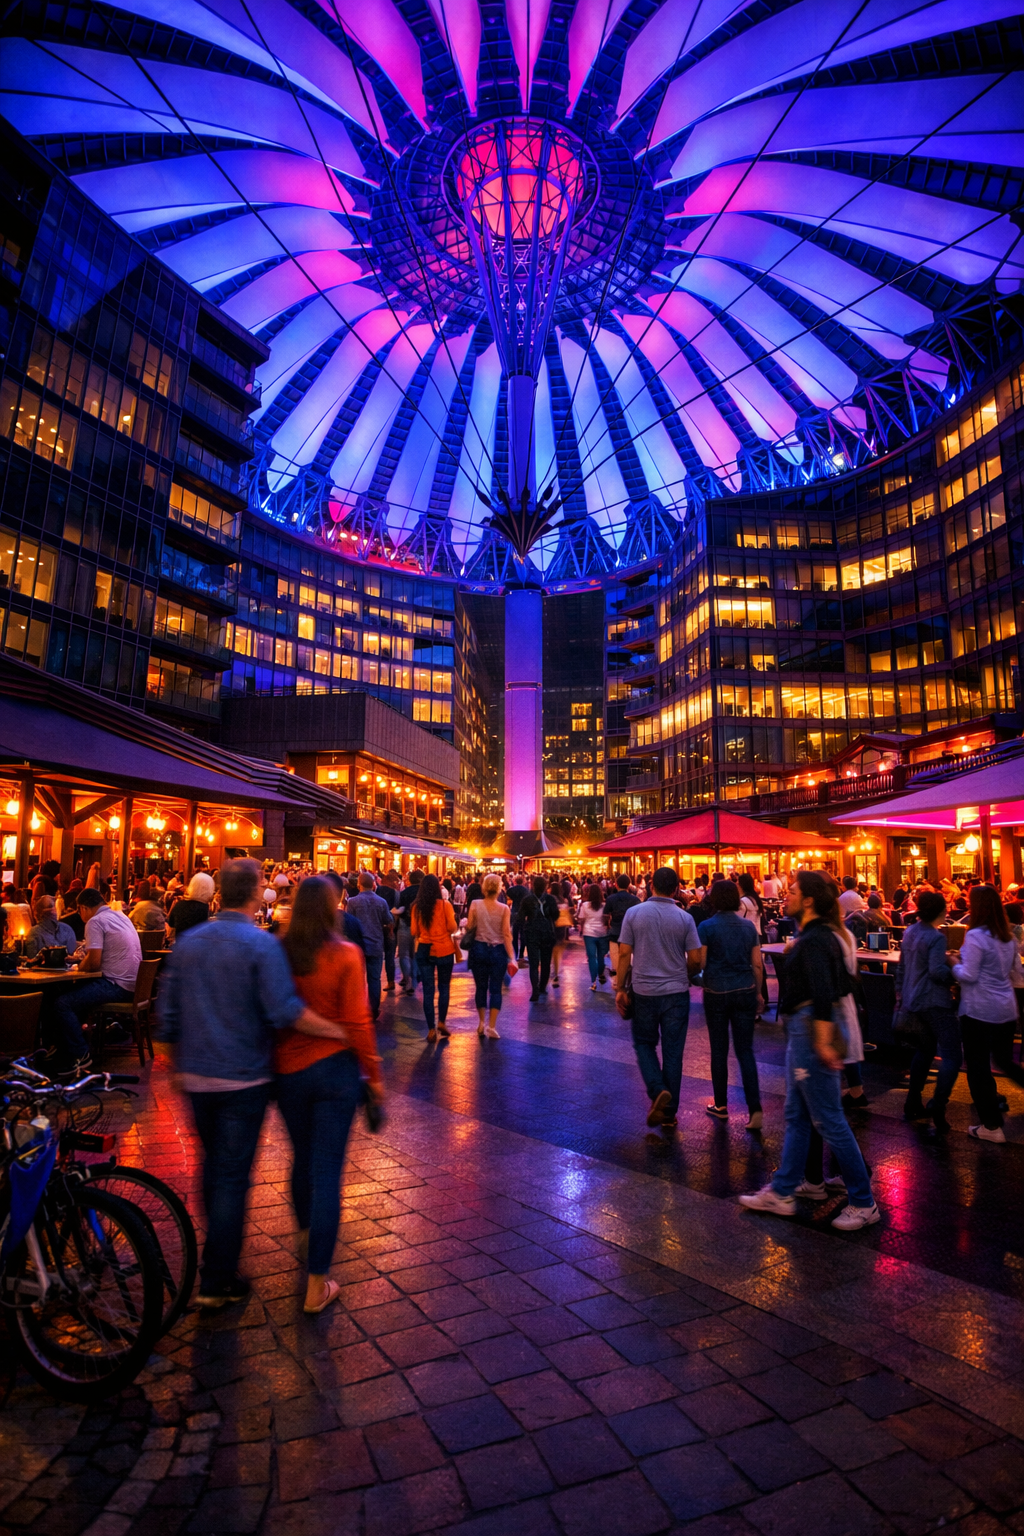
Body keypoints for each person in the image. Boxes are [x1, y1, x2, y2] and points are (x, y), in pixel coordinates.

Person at [156, 858, 350, 1307]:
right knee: (232, 1174)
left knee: (213, 1166)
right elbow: (284, 1011)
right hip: (244, 1076)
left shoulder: (189, 942)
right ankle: (217, 1276)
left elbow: (165, 1020)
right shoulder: (260, 946)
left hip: (198, 1075)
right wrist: (336, 1029)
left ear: (219, 891)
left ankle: (219, 1262)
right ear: (256, 890)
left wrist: (177, 1068)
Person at [739, 871, 878, 1230]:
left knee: (828, 1119)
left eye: (795, 892)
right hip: (804, 1030)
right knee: (798, 1114)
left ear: (810, 900)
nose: (787, 896)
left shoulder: (817, 939)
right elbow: (845, 982)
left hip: (809, 1031)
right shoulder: (825, 936)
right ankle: (783, 1190)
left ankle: (863, 1200)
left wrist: (821, 1039)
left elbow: (824, 993)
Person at [276, 876, 382, 1313]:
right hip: (336, 1071)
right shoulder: (345, 954)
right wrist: (373, 1077)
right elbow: (358, 1021)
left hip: (288, 1071)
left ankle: (305, 1233)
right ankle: (317, 1283)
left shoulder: (279, 952)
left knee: (301, 1157)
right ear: (335, 906)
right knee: (328, 1172)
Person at [615, 866, 702, 1142]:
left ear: (651, 885)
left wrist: (620, 988)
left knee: (644, 1043)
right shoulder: (685, 918)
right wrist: (683, 974)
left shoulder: (634, 913)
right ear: (676, 889)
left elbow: (624, 953)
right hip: (676, 993)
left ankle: (657, 1089)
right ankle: (669, 1112)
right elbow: (697, 959)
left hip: (644, 991)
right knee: (673, 1052)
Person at [951, 885, 1024, 1143]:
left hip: (979, 1009)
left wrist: (954, 964)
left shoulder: (975, 937)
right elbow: (1018, 974)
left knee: (978, 1066)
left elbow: (968, 975)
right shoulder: (1008, 937)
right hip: (1005, 1007)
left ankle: (991, 1126)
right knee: (1005, 1061)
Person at [696, 879, 764, 1130]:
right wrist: (758, 993)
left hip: (716, 990)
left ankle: (721, 1105)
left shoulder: (706, 927)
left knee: (719, 1049)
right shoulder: (748, 928)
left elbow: (701, 963)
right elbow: (757, 964)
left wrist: (694, 976)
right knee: (745, 1050)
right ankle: (755, 1108)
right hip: (745, 989)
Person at [51, 887, 142, 1072]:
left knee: (62, 1003)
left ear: (83, 908)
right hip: (135, 986)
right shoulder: (121, 916)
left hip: (116, 985)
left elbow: (93, 963)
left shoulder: (95, 921)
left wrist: (77, 965)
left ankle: (79, 1055)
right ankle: (65, 1048)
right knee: (74, 996)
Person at [897, 890, 960, 1132]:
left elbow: (902, 968)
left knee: (924, 1050)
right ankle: (938, 1103)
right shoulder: (936, 937)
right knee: (952, 1054)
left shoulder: (911, 931)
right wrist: (956, 972)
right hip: (934, 1001)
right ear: (941, 911)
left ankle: (912, 1100)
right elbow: (936, 971)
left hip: (913, 999)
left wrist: (900, 994)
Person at [465, 873, 517, 1036]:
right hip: (497, 950)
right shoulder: (504, 909)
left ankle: (481, 1022)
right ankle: (492, 1026)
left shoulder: (475, 904)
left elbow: (470, 926)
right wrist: (512, 957)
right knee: (495, 989)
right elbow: (506, 935)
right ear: (499, 889)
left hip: (478, 948)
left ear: (484, 888)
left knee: (480, 987)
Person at [411, 873, 459, 1042]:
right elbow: (453, 928)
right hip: (444, 949)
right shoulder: (445, 905)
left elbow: (413, 931)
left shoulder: (417, 908)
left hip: (424, 949)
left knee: (428, 990)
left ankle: (431, 1029)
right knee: (444, 987)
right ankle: (441, 1022)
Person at [345, 872, 393, 1019]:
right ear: (373, 884)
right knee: (374, 979)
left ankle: (358, 1009)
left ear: (359, 884)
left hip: (358, 945)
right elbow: (389, 920)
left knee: (358, 978)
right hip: (376, 943)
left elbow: (349, 922)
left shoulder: (352, 902)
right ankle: (373, 1009)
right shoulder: (381, 902)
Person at [521, 876, 559, 1001]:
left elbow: (520, 918)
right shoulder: (550, 899)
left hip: (532, 932)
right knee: (546, 962)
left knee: (533, 963)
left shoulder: (527, 900)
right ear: (545, 886)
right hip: (547, 932)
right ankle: (542, 987)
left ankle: (535, 991)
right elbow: (556, 915)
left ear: (533, 885)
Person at [394, 869, 423, 995]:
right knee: (415, 954)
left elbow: (400, 909)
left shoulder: (404, 892)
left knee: (404, 954)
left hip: (404, 924)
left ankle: (407, 978)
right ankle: (414, 979)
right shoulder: (424, 893)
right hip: (421, 928)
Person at [605, 874, 640, 975]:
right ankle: (626, 979)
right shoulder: (635, 900)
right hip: (630, 933)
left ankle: (617, 980)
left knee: (615, 958)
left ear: (616, 885)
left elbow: (606, 915)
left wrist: (607, 925)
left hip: (614, 931)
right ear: (629, 885)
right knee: (628, 958)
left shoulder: (611, 899)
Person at [24, 894, 78, 960]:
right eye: (51, 908)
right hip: (64, 969)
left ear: (36, 914)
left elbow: (31, 958)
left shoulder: (34, 932)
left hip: (45, 969)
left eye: (53, 908)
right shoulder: (67, 929)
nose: (53, 911)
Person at [579, 884, 611, 990]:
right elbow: (607, 919)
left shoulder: (585, 905)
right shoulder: (604, 905)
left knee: (592, 957)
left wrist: (582, 929)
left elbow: (581, 919)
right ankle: (601, 973)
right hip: (602, 933)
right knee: (601, 956)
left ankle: (593, 982)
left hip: (589, 934)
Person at [167, 872, 214, 941]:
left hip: (179, 945)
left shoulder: (179, 904)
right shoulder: (205, 908)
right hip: (198, 947)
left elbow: (171, 923)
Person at [376, 871, 401, 992]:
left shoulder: (378, 891)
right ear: (393, 882)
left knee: (378, 955)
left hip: (377, 926)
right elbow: (396, 910)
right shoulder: (396, 894)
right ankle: (390, 981)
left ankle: (376, 980)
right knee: (390, 955)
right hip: (391, 927)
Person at [551, 877, 573, 985]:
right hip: (562, 927)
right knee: (558, 950)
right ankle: (556, 970)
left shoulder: (550, 900)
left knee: (552, 950)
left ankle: (554, 970)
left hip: (552, 926)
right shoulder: (564, 900)